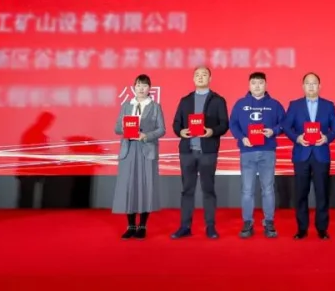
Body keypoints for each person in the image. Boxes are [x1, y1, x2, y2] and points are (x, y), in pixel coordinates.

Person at [170, 66, 229, 240]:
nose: (200, 77)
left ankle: (210, 227)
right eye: (197, 75)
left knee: (208, 189)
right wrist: (181, 132)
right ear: (193, 79)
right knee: (187, 190)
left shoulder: (218, 100)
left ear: (210, 78)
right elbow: (176, 124)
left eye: (204, 74)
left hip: (207, 151)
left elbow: (224, 124)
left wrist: (211, 131)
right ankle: (185, 226)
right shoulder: (185, 100)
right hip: (187, 152)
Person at [283, 72, 335, 240]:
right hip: (302, 154)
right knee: (301, 193)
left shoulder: (328, 105)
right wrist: (297, 138)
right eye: (308, 83)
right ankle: (302, 229)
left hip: (321, 154)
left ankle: (322, 229)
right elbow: (286, 126)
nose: (311, 86)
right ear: (303, 86)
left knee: (322, 193)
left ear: (319, 86)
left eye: (314, 83)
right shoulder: (295, 105)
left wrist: (327, 138)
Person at [229, 71, 286, 239]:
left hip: (268, 151)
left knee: (268, 189)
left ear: (266, 85)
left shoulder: (274, 104)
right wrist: (242, 138)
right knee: (247, 190)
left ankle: (269, 221)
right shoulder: (240, 104)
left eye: (260, 83)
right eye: (254, 83)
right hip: (247, 152)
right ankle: (247, 222)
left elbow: (284, 123)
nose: (257, 86)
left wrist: (273, 131)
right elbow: (233, 124)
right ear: (249, 85)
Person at [111, 73, 166, 240]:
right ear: (134, 87)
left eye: (144, 85)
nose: (141, 88)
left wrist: (146, 136)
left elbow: (162, 129)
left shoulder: (155, 107)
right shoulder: (127, 105)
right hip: (128, 150)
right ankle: (130, 226)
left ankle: (142, 225)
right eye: (138, 85)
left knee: (145, 187)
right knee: (129, 187)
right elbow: (117, 128)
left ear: (150, 89)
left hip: (146, 149)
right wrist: (127, 129)